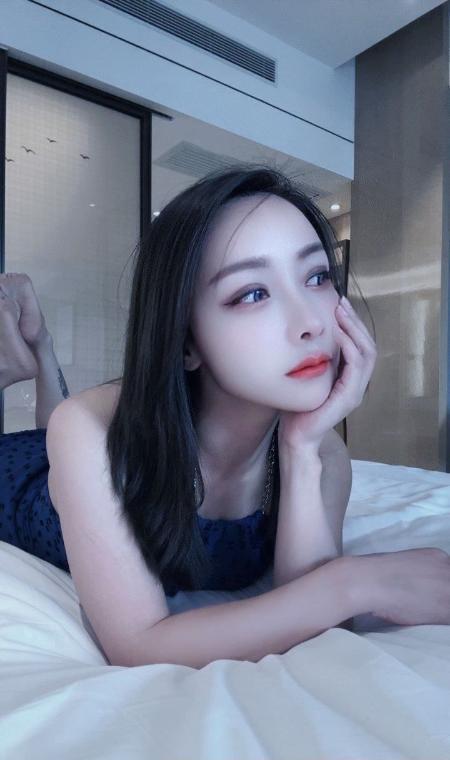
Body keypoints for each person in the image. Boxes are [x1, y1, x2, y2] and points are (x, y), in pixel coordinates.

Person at [1, 164, 450, 670]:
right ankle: (30, 351)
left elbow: (309, 620)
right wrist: (356, 582)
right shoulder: (89, 429)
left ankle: (38, 347)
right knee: (59, 434)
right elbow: (137, 645)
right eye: (252, 293)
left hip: (72, 451)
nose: (310, 322)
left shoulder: (324, 455)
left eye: (317, 276)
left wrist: (301, 451)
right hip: (20, 477)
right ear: (185, 341)